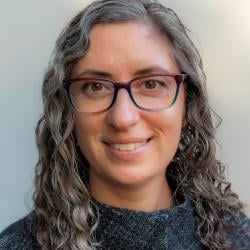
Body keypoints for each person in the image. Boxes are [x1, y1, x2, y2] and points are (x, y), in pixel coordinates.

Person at [0, 0, 249, 249]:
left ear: (188, 104)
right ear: (67, 112)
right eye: (95, 87)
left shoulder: (240, 238)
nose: (122, 118)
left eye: (151, 84)